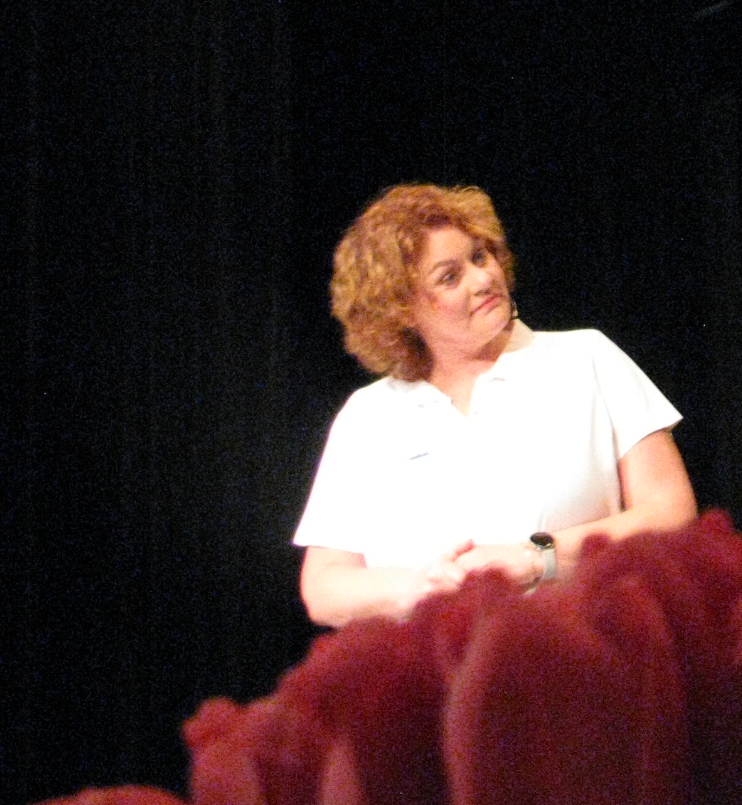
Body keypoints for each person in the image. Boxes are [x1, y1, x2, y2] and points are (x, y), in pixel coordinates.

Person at [295, 183, 697, 626]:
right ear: (402, 310)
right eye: (450, 277)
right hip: (429, 661)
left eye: (480, 257)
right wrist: (423, 587)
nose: (483, 279)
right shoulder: (368, 415)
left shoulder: (586, 359)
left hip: (581, 650)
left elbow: (671, 513)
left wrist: (535, 557)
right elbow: (324, 586)